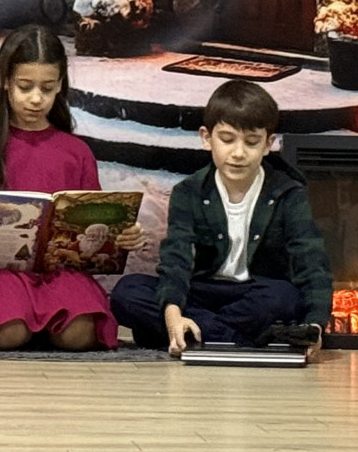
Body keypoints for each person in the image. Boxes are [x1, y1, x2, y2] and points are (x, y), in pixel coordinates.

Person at [0, 24, 144, 351]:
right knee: (10, 332)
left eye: (47, 88)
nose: (36, 99)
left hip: (59, 271)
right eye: (25, 86)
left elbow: (94, 218)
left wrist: (121, 235)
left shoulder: (76, 152)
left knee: (79, 335)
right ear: (4, 80)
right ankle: (29, 319)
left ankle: (46, 319)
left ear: (60, 84)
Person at [111, 79, 332, 357]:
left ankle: (189, 335)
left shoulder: (288, 193)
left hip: (254, 294)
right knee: (128, 292)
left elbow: (311, 262)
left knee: (284, 298)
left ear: (268, 144)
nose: (238, 153)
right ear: (207, 138)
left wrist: (315, 326)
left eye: (251, 142)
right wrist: (172, 315)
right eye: (227, 140)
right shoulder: (189, 192)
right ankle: (237, 338)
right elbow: (177, 258)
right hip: (199, 291)